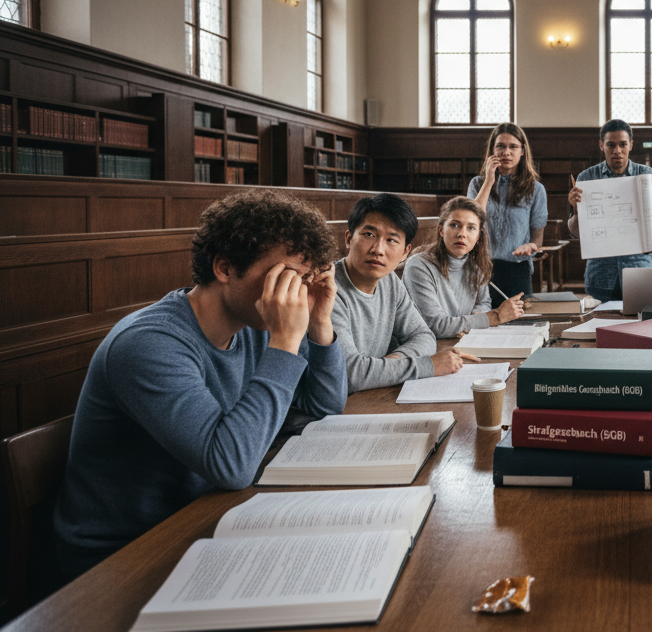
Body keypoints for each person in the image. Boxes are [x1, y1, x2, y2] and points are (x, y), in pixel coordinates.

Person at [54, 190, 347, 577]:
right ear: (225, 267)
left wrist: (320, 325)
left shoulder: (254, 325)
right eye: (287, 278)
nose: (293, 295)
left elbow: (324, 408)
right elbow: (231, 465)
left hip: (207, 518)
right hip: (122, 558)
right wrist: (285, 342)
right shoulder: (148, 343)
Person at [331, 193, 476, 393]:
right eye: (369, 235)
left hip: (368, 397)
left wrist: (390, 364)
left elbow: (424, 336)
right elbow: (348, 374)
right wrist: (428, 365)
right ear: (348, 238)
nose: (378, 249)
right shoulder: (328, 288)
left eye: (391, 240)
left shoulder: (389, 281)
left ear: (405, 252)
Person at [566, 119, 652, 302]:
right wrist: (577, 211)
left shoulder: (646, 174)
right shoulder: (586, 177)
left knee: (640, 327)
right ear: (602, 145)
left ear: (631, 145)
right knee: (599, 327)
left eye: (622, 144)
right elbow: (576, 233)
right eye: (611, 145)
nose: (617, 150)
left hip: (639, 269)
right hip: (600, 273)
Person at [404, 197, 527, 338]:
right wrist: (496, 316)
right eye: (454, 225)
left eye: (471, 228)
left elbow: (483, 302)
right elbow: (436, 326)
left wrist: (474, 320)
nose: (462, 234)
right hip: (430, 348)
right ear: (441, 230)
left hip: (461, 342)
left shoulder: (475, 267)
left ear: (478, 237)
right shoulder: (418, 266)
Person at [468, 122, 548, 308]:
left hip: (517, 269)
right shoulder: (477, 184)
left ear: (522, 151)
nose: (506, 152)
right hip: (482, 268)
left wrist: (531, 245)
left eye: (513, 147)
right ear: (492, 150)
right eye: (501, 146)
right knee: (482, 325)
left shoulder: (536, 189)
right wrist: (489, 180)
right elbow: (472, 220)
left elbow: (537, 236)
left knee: (519, 327)